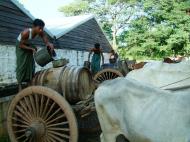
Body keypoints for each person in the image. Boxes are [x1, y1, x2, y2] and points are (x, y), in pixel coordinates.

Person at [16, 19, 54, 91]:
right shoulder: (26, 32)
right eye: (39, 28)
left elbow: (44, 37)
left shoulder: (40, 31)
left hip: (27, 44)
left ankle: (28, 82)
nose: (41, 30)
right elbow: (20, 45)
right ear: (34, 27)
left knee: (30, 64)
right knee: (22, 64)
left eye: (42, 28)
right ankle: (20, 86)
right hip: (20, 46)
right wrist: (31, 49)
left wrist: (49, 44)